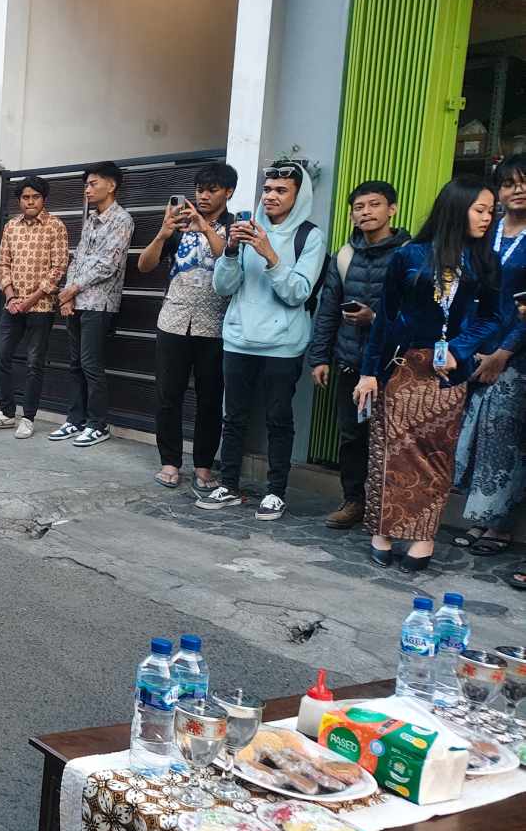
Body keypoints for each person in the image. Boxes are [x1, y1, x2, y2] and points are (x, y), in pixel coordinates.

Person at [355, 176, 501, 573]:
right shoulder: (410, 255)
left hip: (446, 375)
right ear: (456, 209)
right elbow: (383, 319)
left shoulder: (486, 260)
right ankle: (382, 532)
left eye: (491, 211)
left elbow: (491, 318)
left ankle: (423, 536)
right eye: (480, 210)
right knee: (390, 452)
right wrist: (369, 373)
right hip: (402, 370)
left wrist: (460, 348)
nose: (488, 218)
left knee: (435, 457)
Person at [197, 161, 325, 520]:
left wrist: (269, 254)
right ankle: (229, 484)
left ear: (298, 197)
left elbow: (298, 293)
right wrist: (233, 251)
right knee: (233, 417)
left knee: (278, 419)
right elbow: (223, 287)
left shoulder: (308, 236)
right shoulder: (246, 229)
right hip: (239, 338)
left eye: (281, 190)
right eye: (268, 189)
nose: (270, 196)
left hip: (283, 346)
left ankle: (276, 492)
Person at [307, 180, 409, 528]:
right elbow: (328, 310)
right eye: (359, 207)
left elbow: (420, 315)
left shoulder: (410, 254)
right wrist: (319, 357)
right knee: (352, 437)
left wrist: (374, 318)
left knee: (395, 441)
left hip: (397, 367)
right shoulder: (345, 255)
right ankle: (354, 502)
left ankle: (391, 509)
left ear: (392, 209)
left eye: (374, 205)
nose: (366, 212)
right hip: (350, 362)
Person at [137, 165, 238, 486]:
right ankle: (169, 463)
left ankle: (204, 466)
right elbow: (144, 265)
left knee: (210, 399)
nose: (203, 196)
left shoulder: (236, 227)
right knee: (168, 396)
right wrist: (163, 233)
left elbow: (229, 259)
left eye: (212, 189)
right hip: (173, 321)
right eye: (200, 189)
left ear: (228, 193)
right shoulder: (177, 226)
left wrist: (206, 229)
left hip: (216, 327)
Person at [453, 155, 526, 563]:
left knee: (505, 440)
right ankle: (480, 517)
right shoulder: (486, 230)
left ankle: (500, 524)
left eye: (524, 182)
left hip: (514, 355)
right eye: (509, 183)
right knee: (476, 435)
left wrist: (505, 351)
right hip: (476, 346)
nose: (517, 189)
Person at [50, 161, 134, 447]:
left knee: (91, 365)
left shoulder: (122, 220)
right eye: (86, 184)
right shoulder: (90, 219)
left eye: (93, 183)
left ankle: (99, 424)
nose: (87, 189)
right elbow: (78, 258)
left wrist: (71, 288)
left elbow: (107, 265)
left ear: (111, 185)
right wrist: (68, 296)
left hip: (100, 304)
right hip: (77, 302)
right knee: (75, 364)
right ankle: (76, 419)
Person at [0, 175, 69, 438]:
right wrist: (10, 297)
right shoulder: (11, 226)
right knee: (1, 358)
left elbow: (59, 268)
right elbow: (3, 263)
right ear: (19, 201)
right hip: (12, 306)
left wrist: (29, 300)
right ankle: (6, 413)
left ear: (44, 199)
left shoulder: (56, 226)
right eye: (25, 197)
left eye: (35, 197)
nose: (30, 202)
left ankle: (28, 417)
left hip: (40, 307)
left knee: (34, 363)